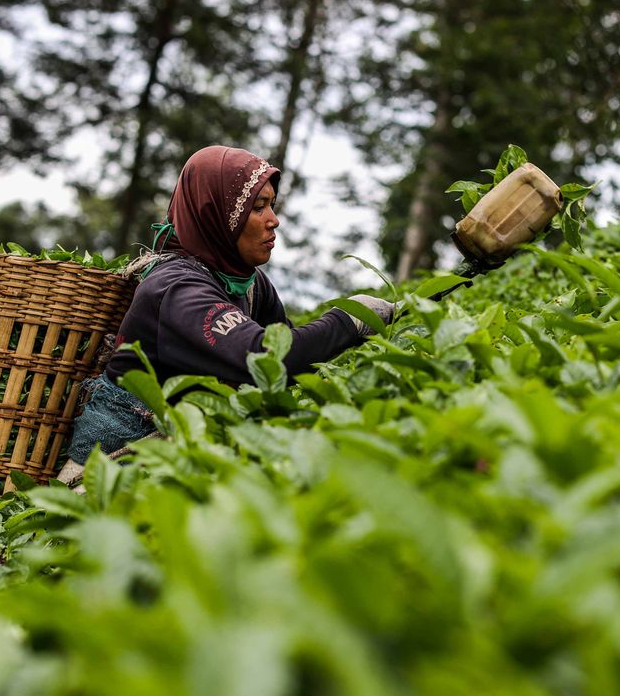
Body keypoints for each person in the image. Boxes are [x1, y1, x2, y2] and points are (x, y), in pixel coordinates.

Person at [57, 145, 393, 485]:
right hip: (106, 476)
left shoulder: (250, 284)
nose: (273, 220)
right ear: (214, 214)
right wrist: (348, 320)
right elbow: (267, 358)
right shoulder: (175, 287)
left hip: (176, 466)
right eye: (258, 207)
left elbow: (291, 357)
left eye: (272, 205)